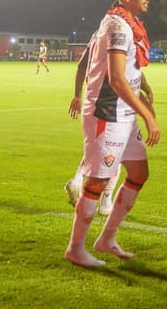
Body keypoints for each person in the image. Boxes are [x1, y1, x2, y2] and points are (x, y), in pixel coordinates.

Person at [64, 0, 161, 268]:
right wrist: (149, 116)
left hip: (125, 115)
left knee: (138, 173)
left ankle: (106, 238)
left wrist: (143, 94)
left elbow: (129, 71)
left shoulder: (126, 25)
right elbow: (117, 79)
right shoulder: (118, 27)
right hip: (108, 114)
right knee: (97, 181)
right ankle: (76, 248)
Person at [63, 31, 148, 216]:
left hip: (94, 101)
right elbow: (129, 72)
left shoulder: (97, 34)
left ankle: (83, 183)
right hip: (112, 104)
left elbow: (81, 66)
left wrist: (77, 95)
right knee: (112, 153)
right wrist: (147, 90)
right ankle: (100, 201)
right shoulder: (122, 33)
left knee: (101, 150)